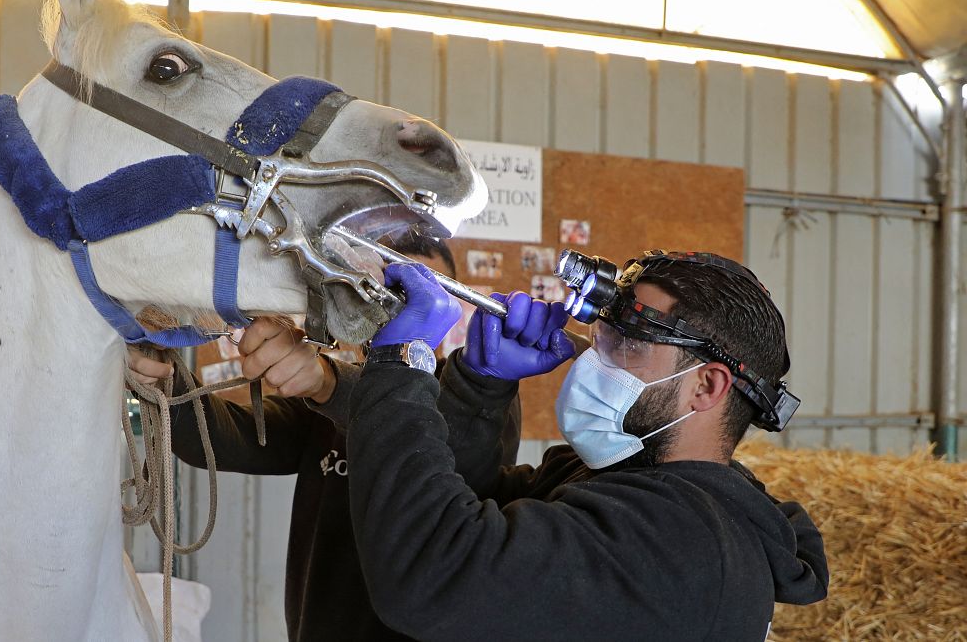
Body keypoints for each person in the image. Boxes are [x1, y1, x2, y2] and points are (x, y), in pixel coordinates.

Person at [344, 253, 829, 642]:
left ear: (706, 387)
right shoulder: (622, 481)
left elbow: (432, 574)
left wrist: (402, 362)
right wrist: (479, 386)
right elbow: (474, 500)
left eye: (628, 346)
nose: (592, 360)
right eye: (603, 337)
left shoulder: (682, 541)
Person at [127, 234, 524, 642]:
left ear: (447, 308)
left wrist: (328, 381)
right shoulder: (322, 409)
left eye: (418, 293)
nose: (398, 308)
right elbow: (220, 441)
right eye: (387, 290)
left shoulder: (480, 398)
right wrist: (167, 380)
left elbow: (441, 439)